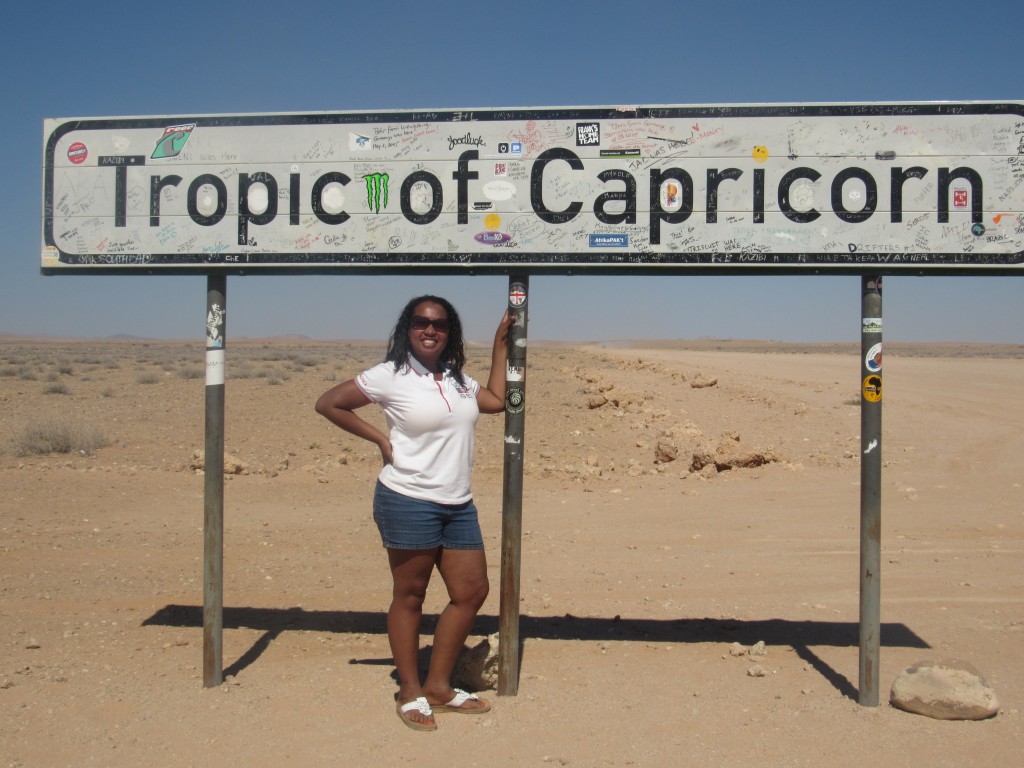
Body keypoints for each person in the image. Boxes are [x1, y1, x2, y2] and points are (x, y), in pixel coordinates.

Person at [315, 295, 513, 731]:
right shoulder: (391, 376)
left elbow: (497, 401)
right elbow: (329, 403)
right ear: (408, 328)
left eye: (440, 324)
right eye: (422, 322)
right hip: (407, 499)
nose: (430, 330)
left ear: (450, 332)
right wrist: (380, 441)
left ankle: (439, 686)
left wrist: (501, 345)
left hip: (457, 503)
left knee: (471, 591)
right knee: (410, 596)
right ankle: (409, 689)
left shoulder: (459, 380)